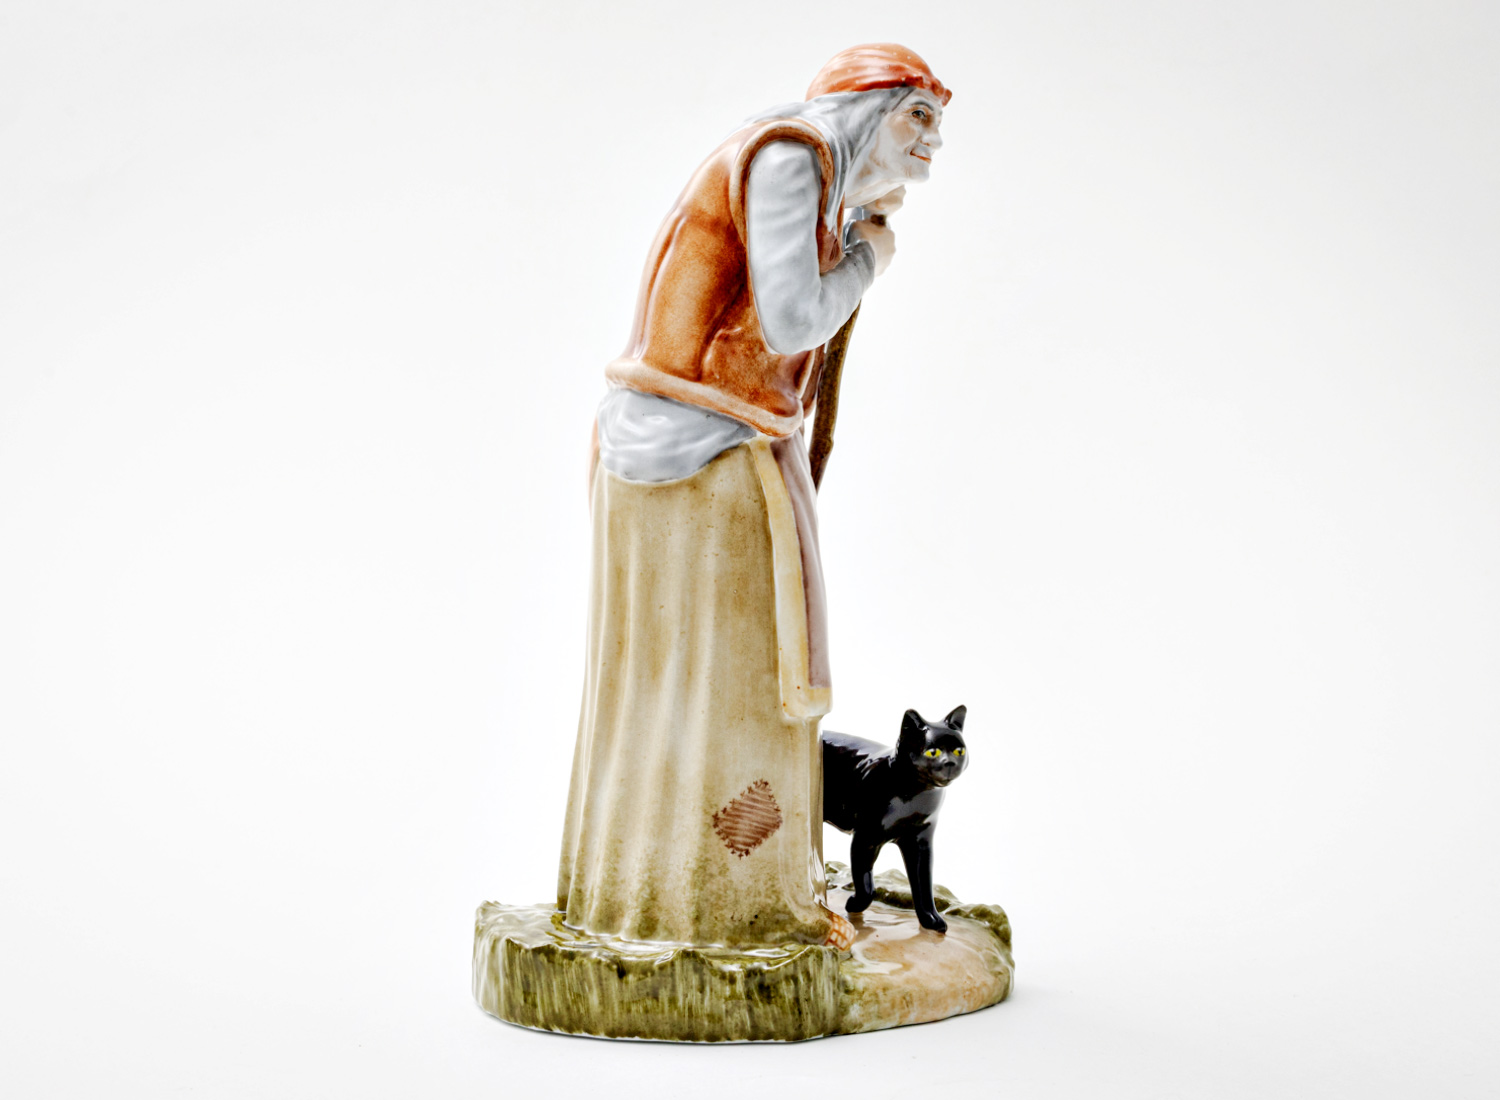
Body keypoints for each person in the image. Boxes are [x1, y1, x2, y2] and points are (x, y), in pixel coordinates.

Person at [557, 44, 950, 948]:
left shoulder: (818, 182)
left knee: (717, 685)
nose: (935, 140)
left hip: (717, 445)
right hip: (697, 455)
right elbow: (792, 317)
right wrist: (868, 259)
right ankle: (716, 908)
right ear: (862, 110)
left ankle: (720, 893)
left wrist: (851, 234)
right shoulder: (788, 159)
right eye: (919, 115)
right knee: (725, 684)